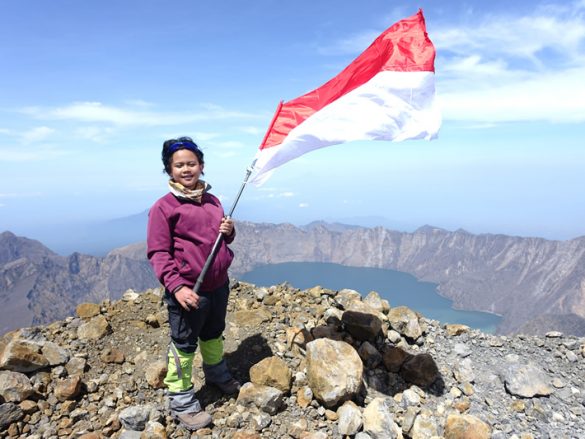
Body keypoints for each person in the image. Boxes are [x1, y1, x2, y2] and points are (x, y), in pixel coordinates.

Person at [146, 136, 240, 431]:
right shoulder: (164, 207)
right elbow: (159, 253)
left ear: (201, 165)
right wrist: (177, 287)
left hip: (218, 284)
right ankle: (181, 398)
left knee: (213, 332)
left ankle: (215, 373)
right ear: (169, 170)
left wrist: (229, 231)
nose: (186, 169)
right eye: (179, 165)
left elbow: (218, 241)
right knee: (184, 343)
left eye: (191, 163)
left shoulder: (213, 201)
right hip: (189, 289)